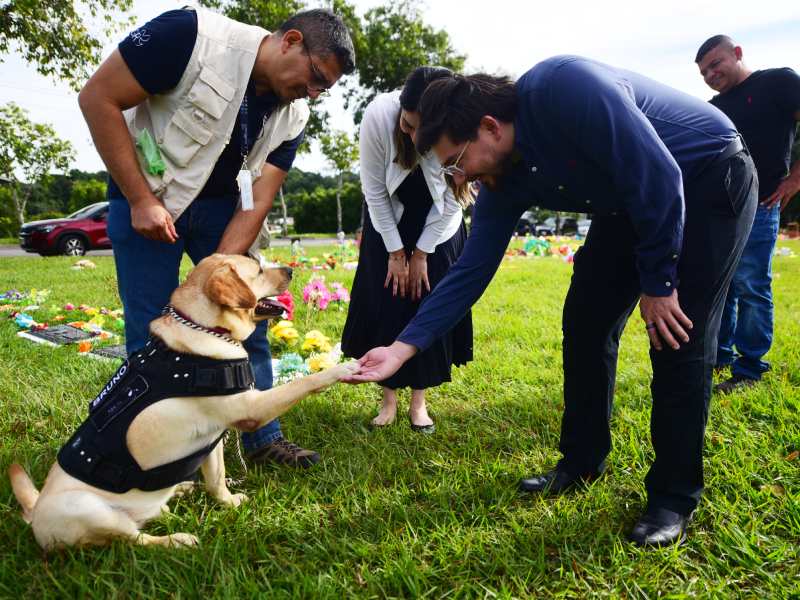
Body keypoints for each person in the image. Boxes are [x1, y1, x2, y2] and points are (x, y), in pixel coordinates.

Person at [346, 57, 758, 546]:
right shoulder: (502, 176)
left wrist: (660, 284)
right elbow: (470, 271)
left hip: (707, 176)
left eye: (456, 162)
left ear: (489, 127)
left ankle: (673, 496)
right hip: (628, 200)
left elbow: (660, 175)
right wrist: (402, 348)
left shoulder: (565, 87)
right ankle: (582, 462)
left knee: (677, 337)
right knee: (585, 323)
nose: (458, 179)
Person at [78, 7, 355, 467]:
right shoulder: (188, 35)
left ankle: (262, 437)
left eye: (322, 89)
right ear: (289, 41)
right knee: (152, 330)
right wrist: (141, 200)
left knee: (246, 314)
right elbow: (97, 99)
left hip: (224, 210)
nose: (312, 93)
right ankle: (159, 450)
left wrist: (227, 274)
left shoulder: (295, 114)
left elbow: (261, 194)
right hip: (150, 198)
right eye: (315, 76)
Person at [341, 67, 473, 432]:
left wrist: (422, 253)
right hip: (388, 224)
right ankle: (387, 400)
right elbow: (374, 192)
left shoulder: (457, 128)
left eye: (419, 130)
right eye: (407, 123)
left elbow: (452, 202)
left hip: (438, 229)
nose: (410, 133)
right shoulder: (379, 116)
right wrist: (396, 253)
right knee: (388, 301)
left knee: (427, 301)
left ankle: (419, 401)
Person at [695, 35, 800, 394]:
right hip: (719, 208)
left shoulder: (778, 83)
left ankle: (750, 368)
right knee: (719, 284)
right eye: (704, 71)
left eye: (715, 64)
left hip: (762, 203)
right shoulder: (712, 107)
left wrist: (794, 180)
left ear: (737, 54)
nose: (710, 74)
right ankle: (718, 356)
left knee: (752, 284)